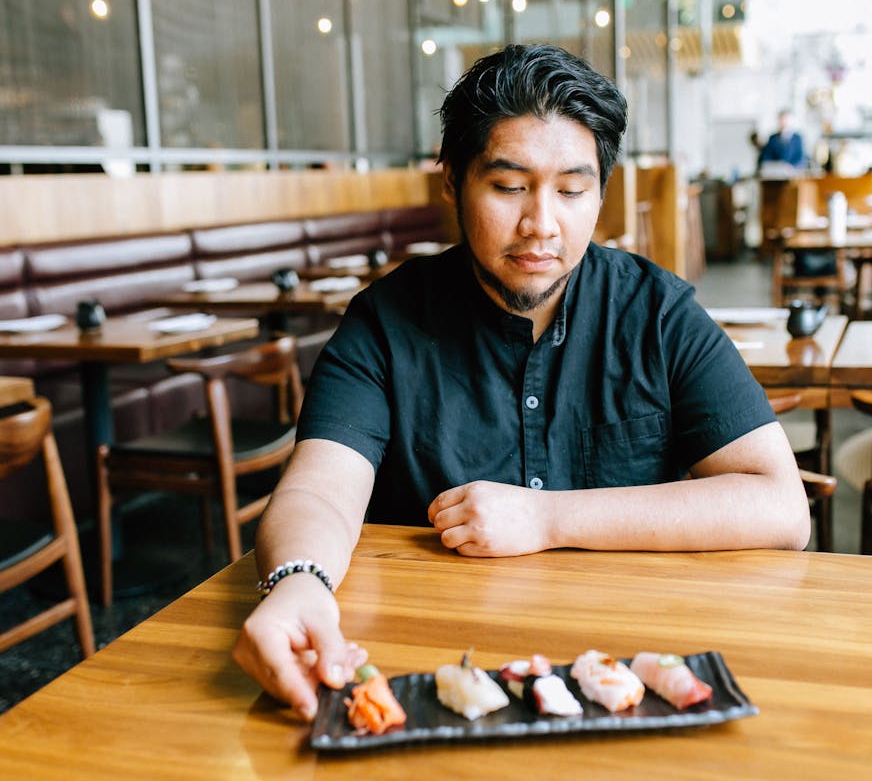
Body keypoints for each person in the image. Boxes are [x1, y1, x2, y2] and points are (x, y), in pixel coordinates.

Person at [232, 44, 810, 721]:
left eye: (571, 190)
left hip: (630, 678)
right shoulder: (387, 322)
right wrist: (300, 580)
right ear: (451, 181)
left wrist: (546, 517)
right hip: (435, 677)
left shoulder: (656, 313)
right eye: (508, 187)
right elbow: (319, 489)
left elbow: (780, 506)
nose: (542, 225)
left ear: (600, 190)